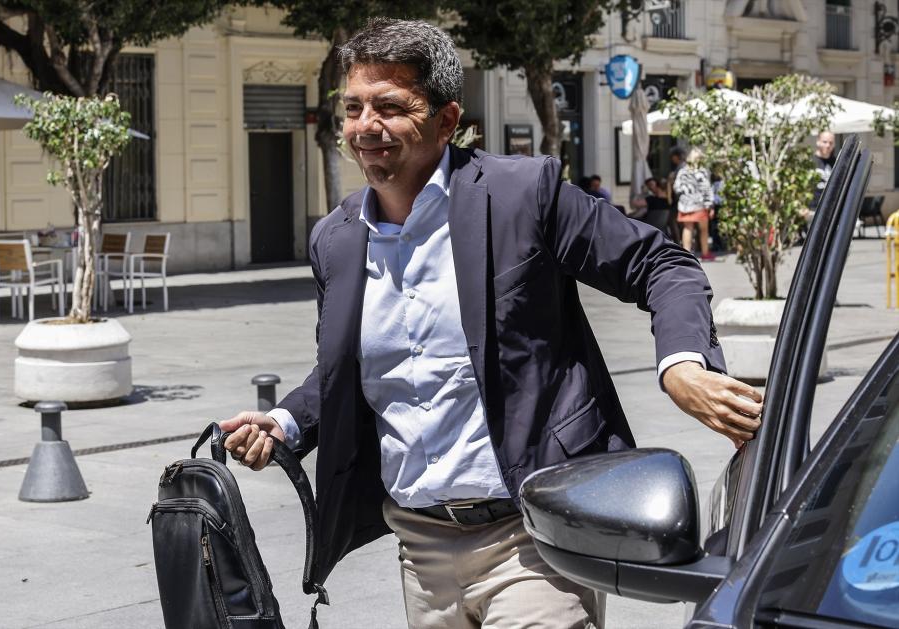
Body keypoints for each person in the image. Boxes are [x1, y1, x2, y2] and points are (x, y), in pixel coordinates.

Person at [219, 18, 762, 629]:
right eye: (353, 108)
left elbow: (660, 262)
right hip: (420, 552)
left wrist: (682, 365)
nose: (365, 127)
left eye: (390, 106)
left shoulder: (520, 193)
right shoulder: (336, 240)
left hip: (533, 539)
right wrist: (286, 422)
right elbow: (348, 369)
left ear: (446, 121)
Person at [674, 148, 715, 261]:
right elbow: (707, 189)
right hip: (699, 204)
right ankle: (705, 253)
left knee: (687, 228)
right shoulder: (702, 171)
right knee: (704, 229)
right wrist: (710, 205)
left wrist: (685, 196)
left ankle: (687, 254)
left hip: (685, 204)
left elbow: (676, 188)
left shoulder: (683, 171)